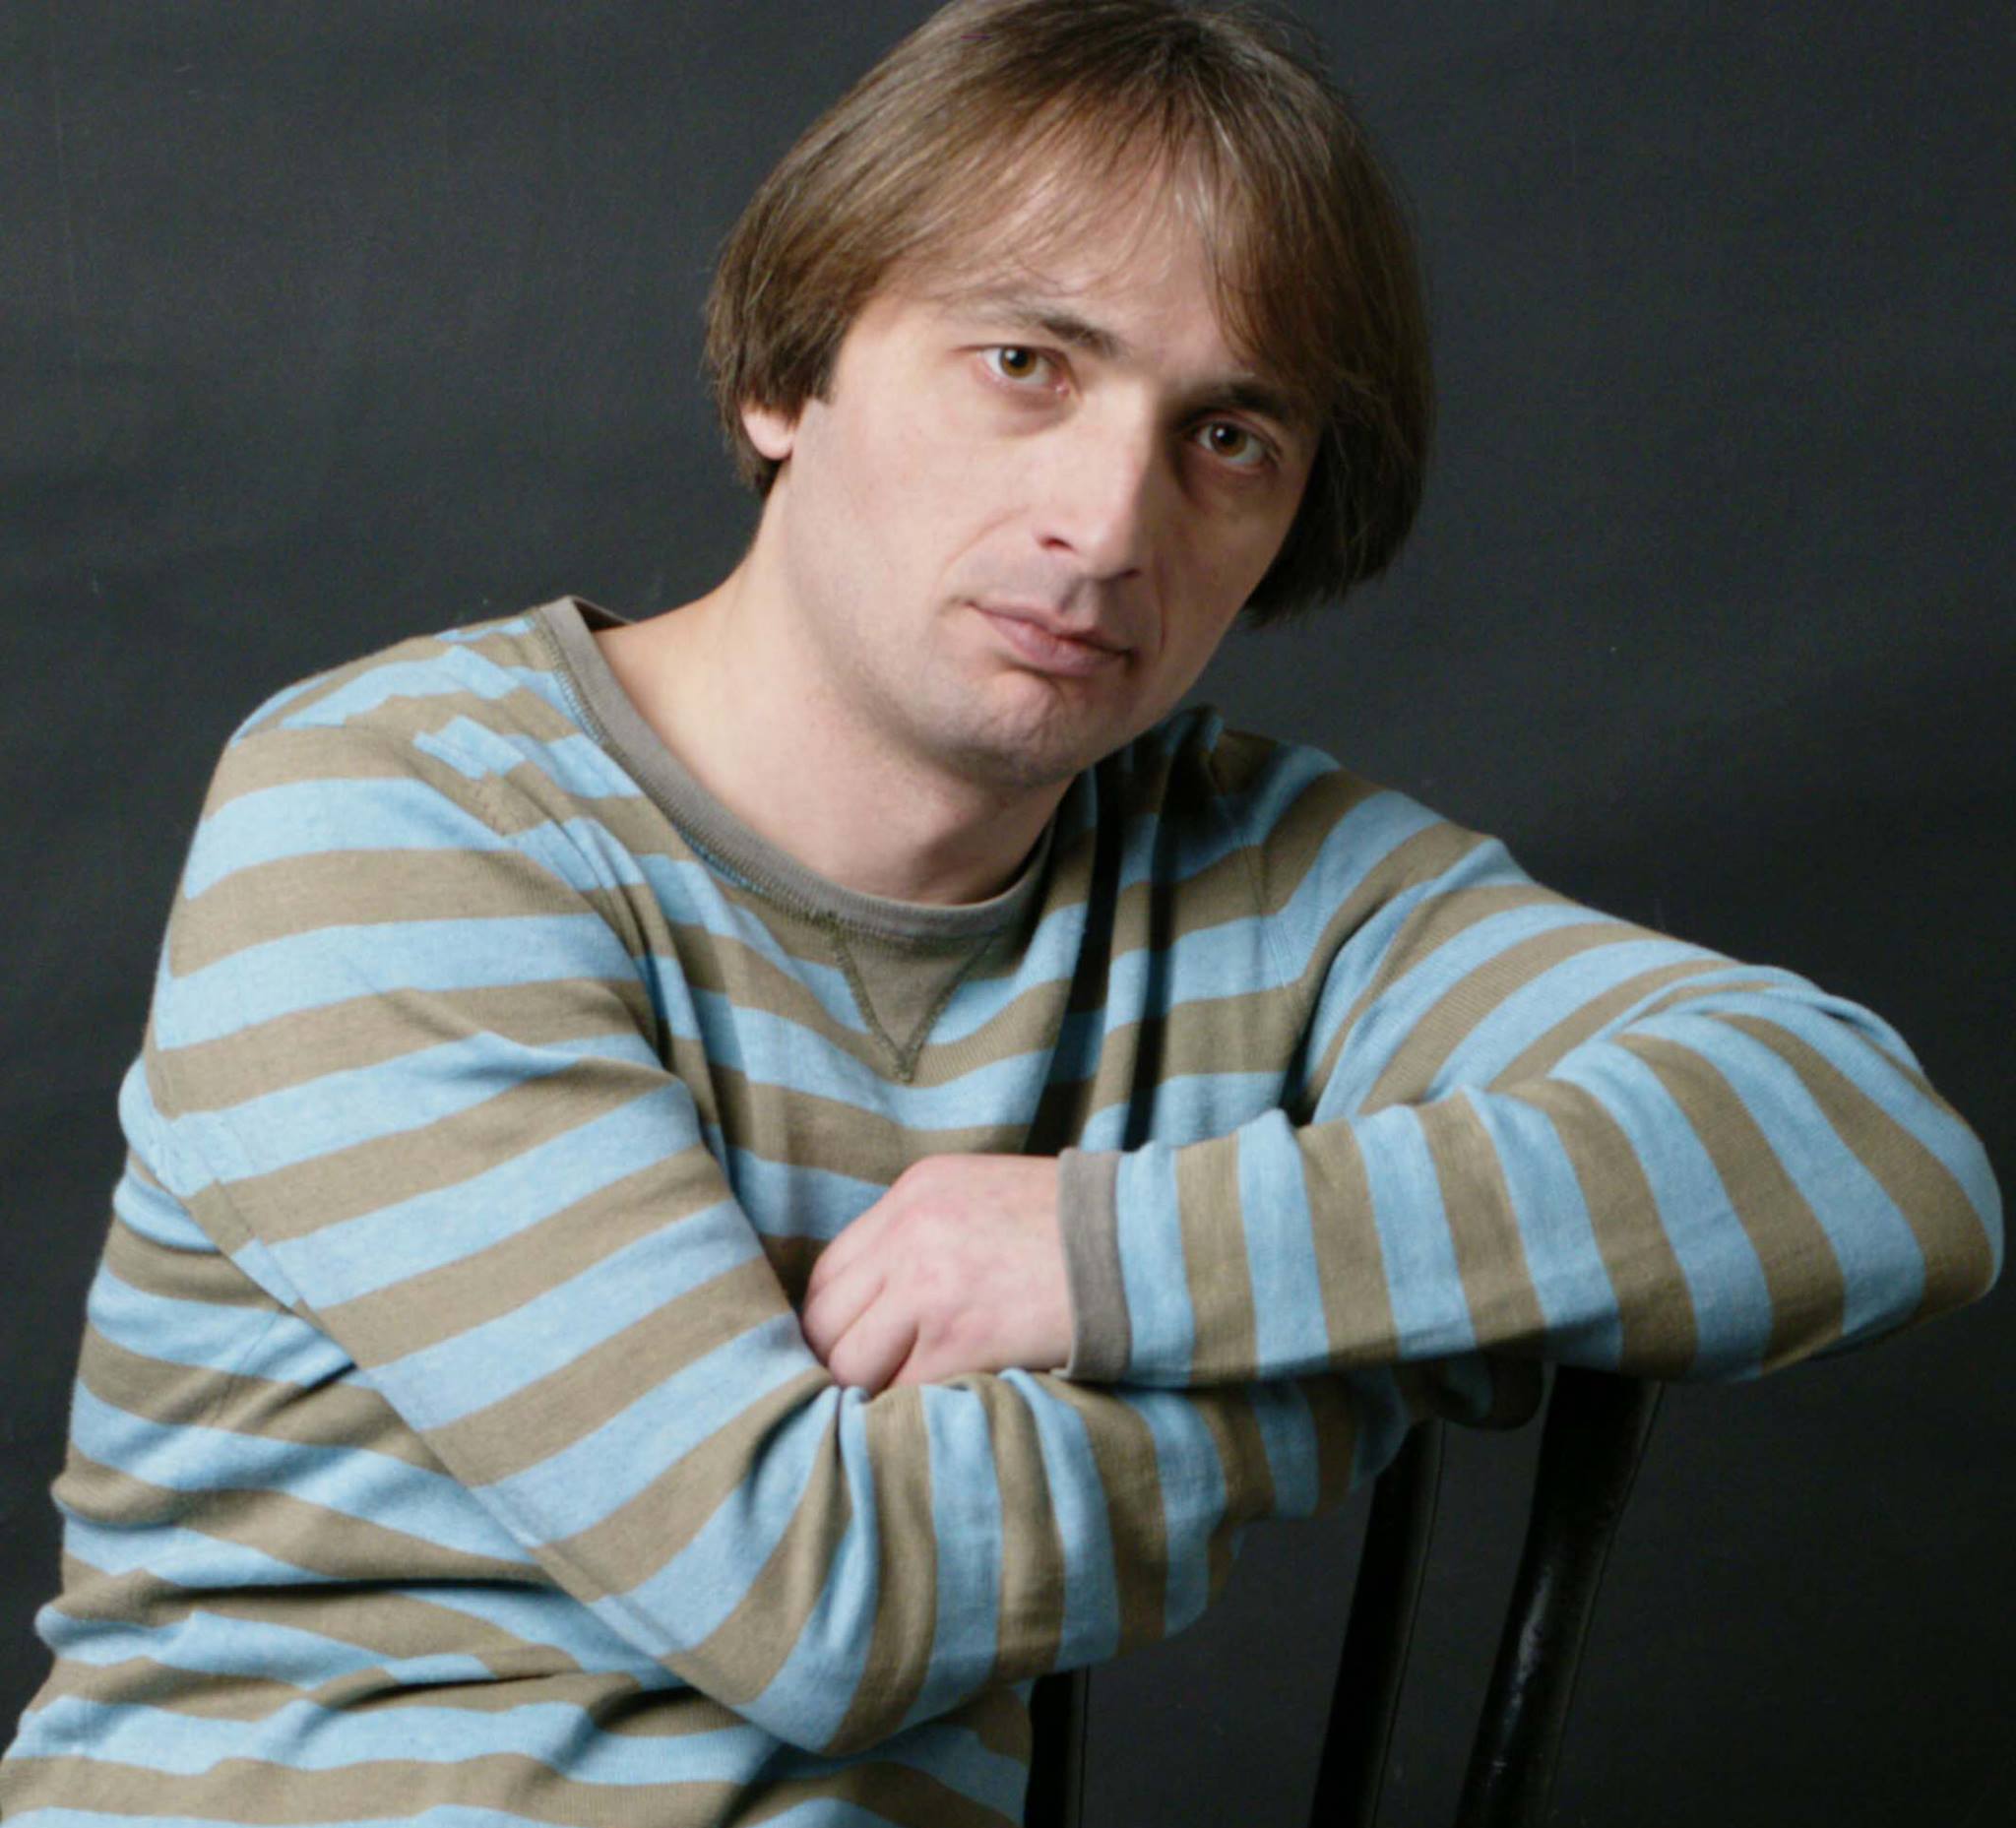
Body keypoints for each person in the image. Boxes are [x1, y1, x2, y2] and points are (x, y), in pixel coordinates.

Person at [1, 1, 2000, 1823]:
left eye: (1228, 434)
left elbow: (1873, 1156)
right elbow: (814, 1586)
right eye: (1026, 364)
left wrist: (1103, 1247)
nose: (1108, 523)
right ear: (794, 373)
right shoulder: (396, 806)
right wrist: (1394, 1333)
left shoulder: (1256, 875)